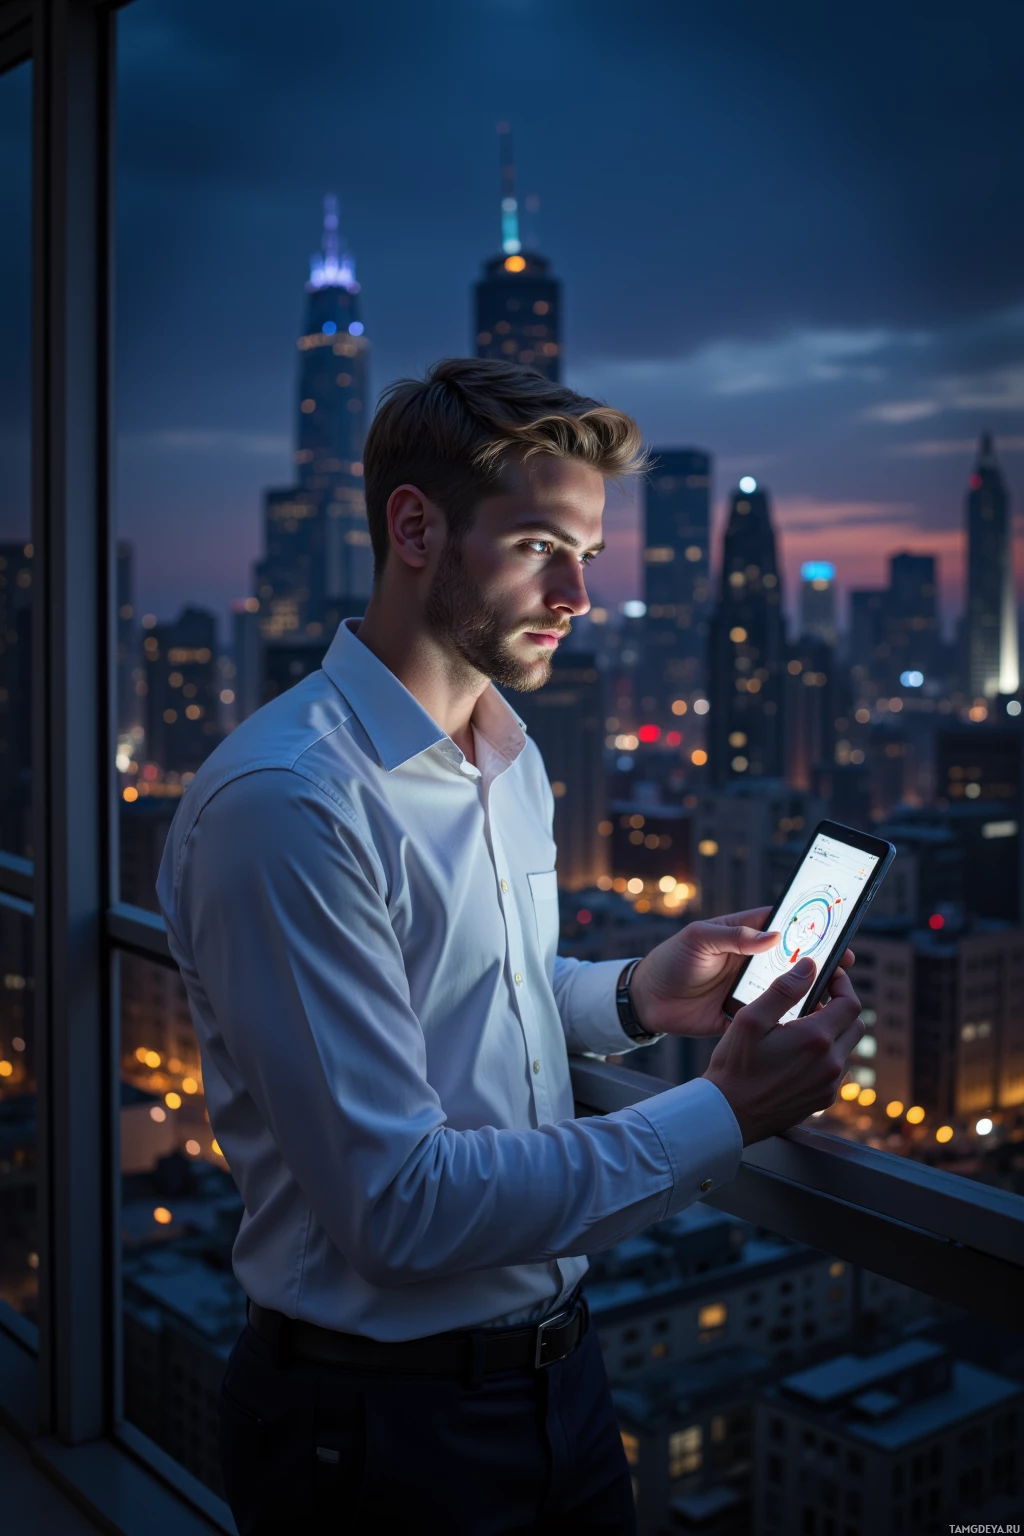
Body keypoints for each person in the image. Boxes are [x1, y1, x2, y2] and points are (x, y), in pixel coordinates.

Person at [156, 357, 863, 1535]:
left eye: (588, 551)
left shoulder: (507, 752)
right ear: (416, 527)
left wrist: (636, 994)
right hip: (377, 1430)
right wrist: (724, 1112)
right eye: (541, 544)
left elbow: (465, 992)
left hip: (563, 1386)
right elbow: (399, 1207)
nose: (579, 592)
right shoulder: (291, 802)